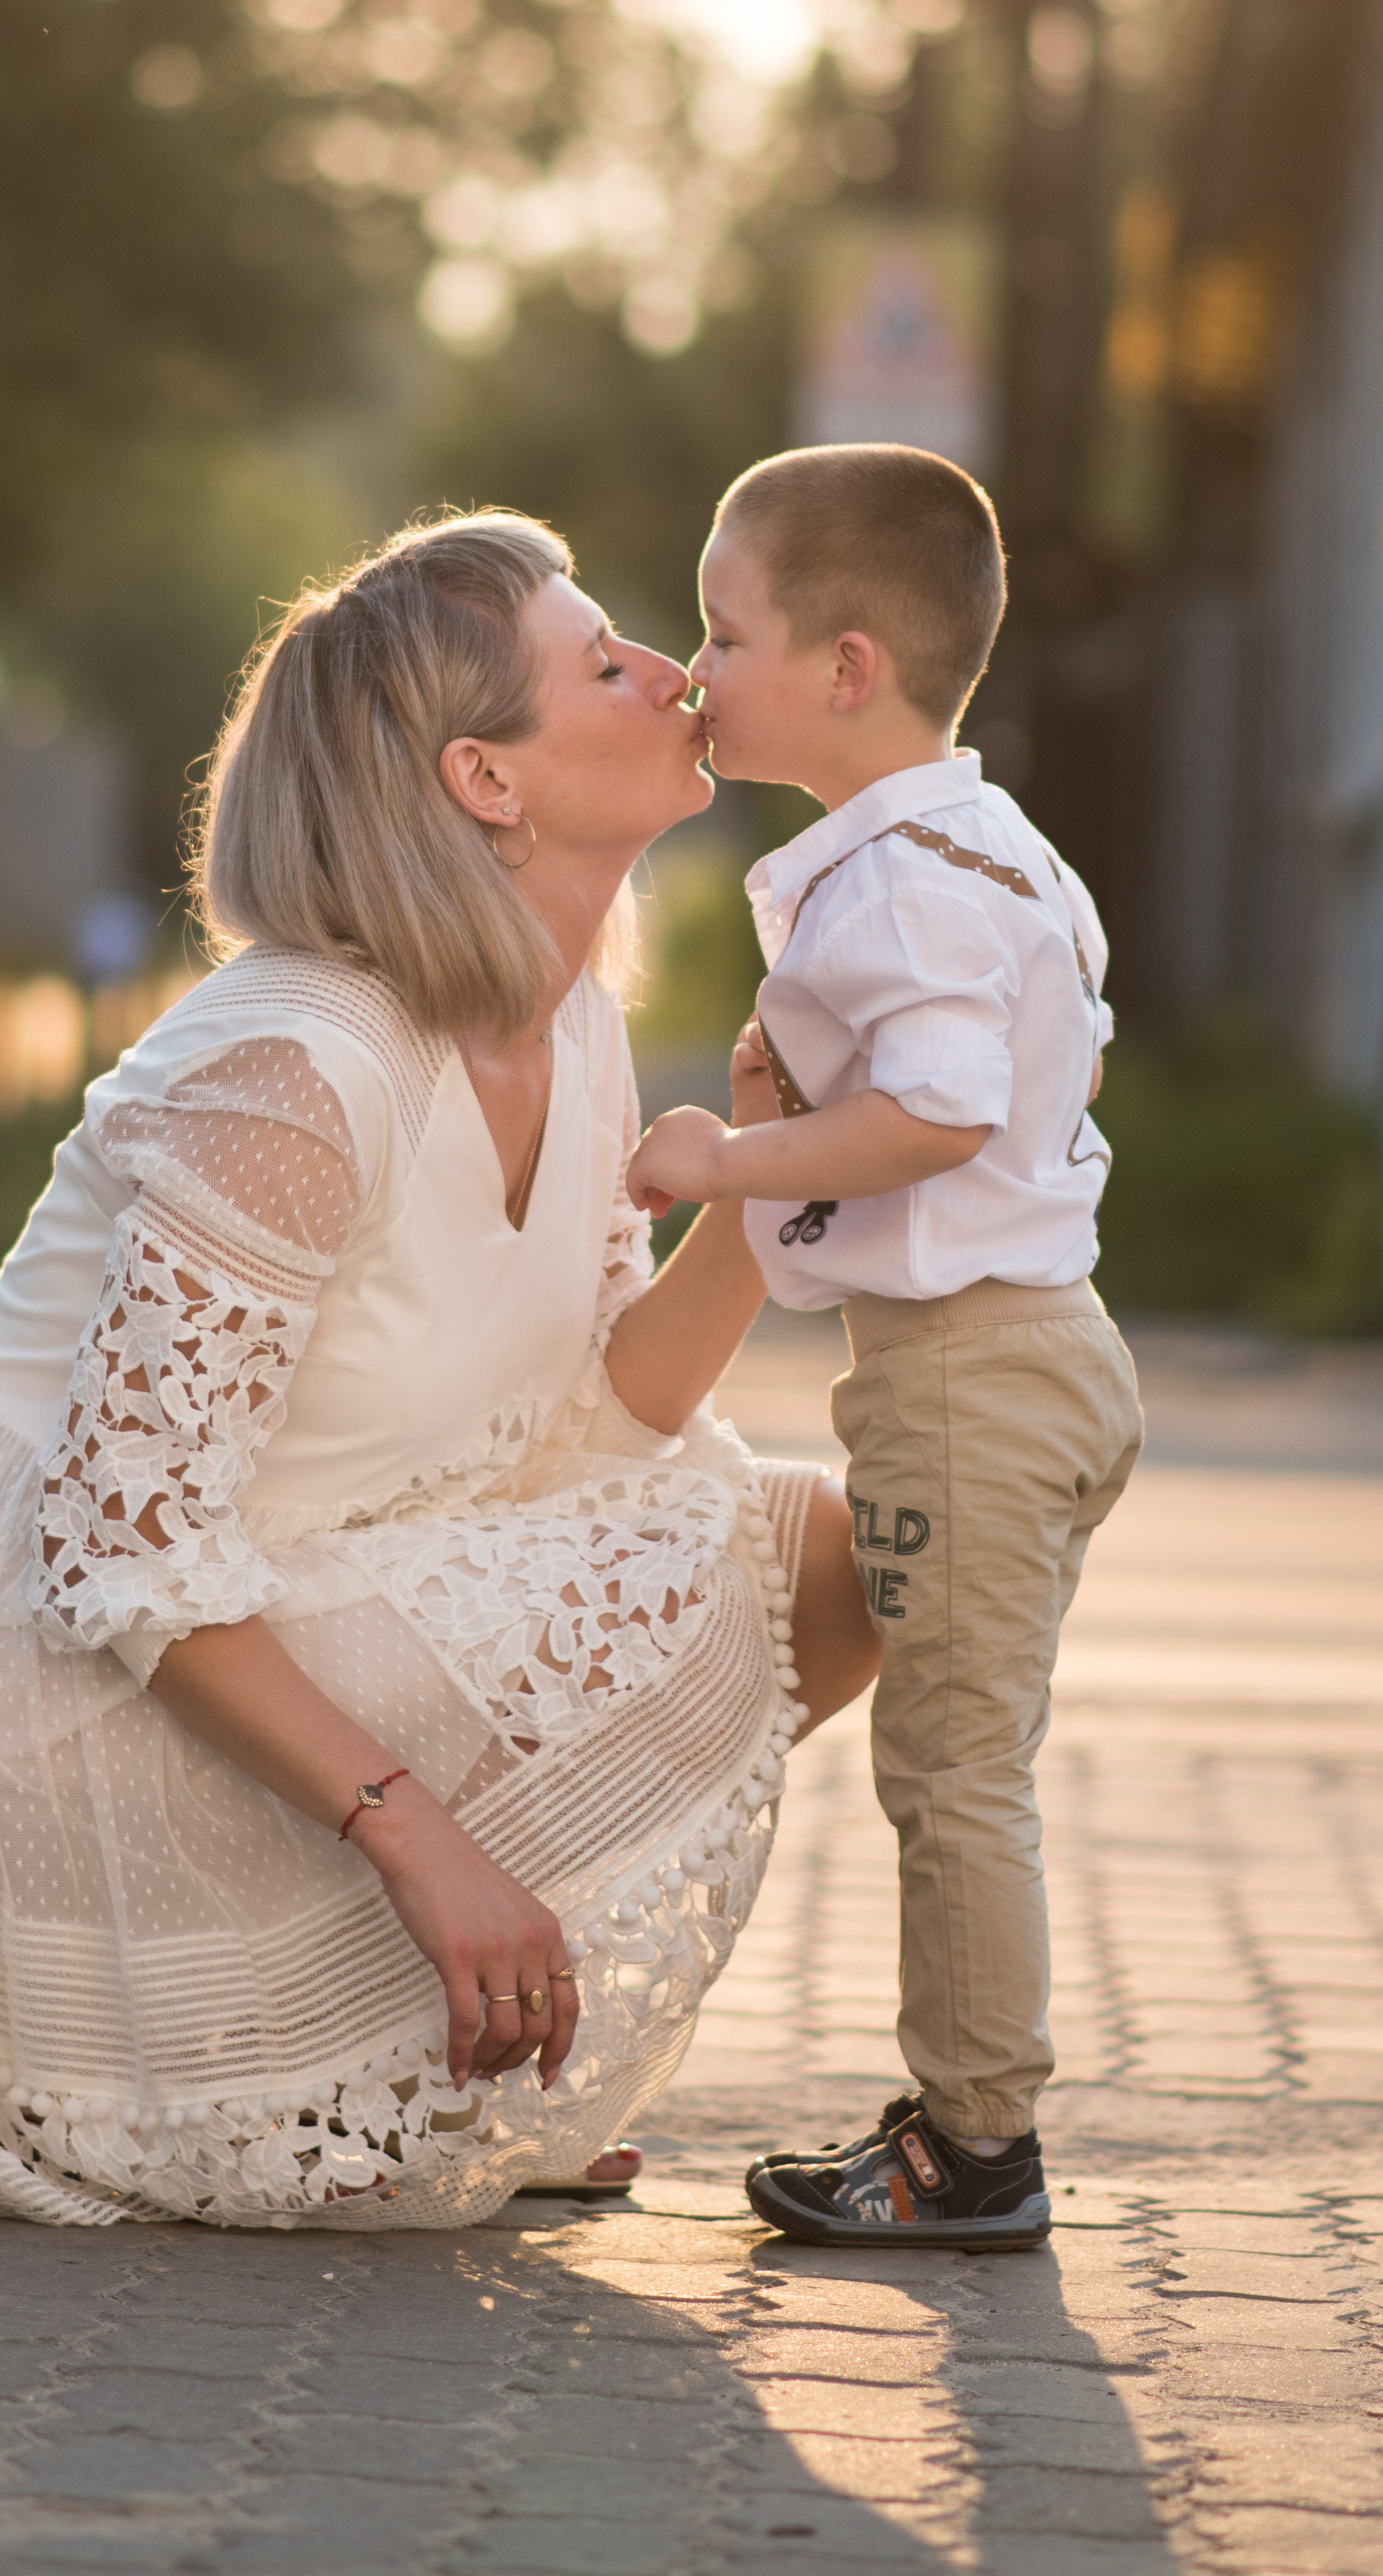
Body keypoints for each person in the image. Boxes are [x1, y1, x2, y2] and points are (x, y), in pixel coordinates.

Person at [0, 511, 879, 2233]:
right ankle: (276, 2034)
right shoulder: (298, 1063)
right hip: (46, 1662)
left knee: (853, 1559)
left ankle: (425, 2053)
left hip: (287, 1578)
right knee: (787, 1560)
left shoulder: (573, 1023)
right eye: (605, 658)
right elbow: (122, 1552)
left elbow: (592, 1425)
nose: (671, 673)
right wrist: (425, 1835)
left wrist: (760, 1173)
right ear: (487, 780)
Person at [628, 446, 1144, 2250]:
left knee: (949, 1770)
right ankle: (965, 2130)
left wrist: (727, 1154)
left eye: (724, 632)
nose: (693, 674)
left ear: (849, 667)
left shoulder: (898, 885)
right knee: (968, 1749)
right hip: (1043, 1352)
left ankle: (974, 2151)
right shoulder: (985, 848)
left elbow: (936, 1110)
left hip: (969, 1383)